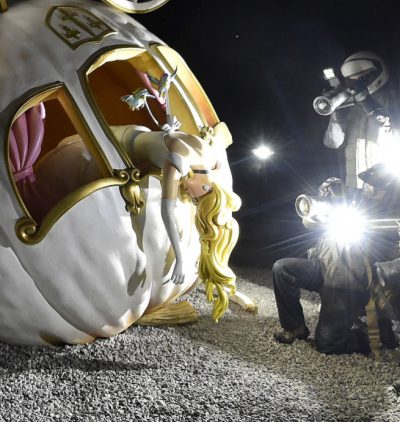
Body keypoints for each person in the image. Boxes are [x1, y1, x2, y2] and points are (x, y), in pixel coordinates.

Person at [35, 122, 241, 323]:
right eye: (196, 199)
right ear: (206, 188)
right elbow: (167, 213)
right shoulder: (178, 161)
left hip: (134, 137)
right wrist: (179, 258)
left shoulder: (209, 158)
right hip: (113, 151)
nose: (190, 198)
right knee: (58, 182)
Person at [273, 51, 400, 353]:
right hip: (357, 198)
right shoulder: (351, 108)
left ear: (376, 75)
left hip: (386, 199)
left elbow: (393, 132)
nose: (355, 85)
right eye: (350, 80)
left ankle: (374, 329)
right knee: (285, 267)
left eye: (360, 79)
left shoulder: (390, 105)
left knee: (331, 336)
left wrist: (369, 105)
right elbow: (333, 141)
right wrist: (336, 114)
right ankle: (298, 325)